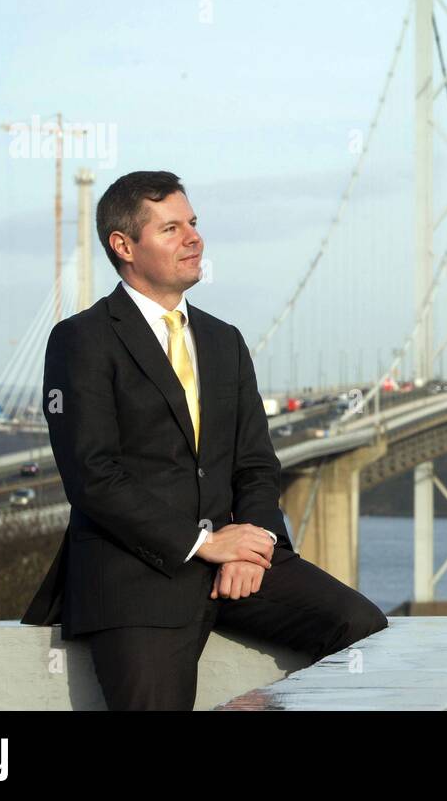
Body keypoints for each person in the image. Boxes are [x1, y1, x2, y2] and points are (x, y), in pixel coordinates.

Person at [21, 170, 388, 709]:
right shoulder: (81, 340)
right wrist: (203, 543)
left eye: (193, 223)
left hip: (235, 565)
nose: (194, 239)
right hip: (136, 577)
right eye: (171, 229)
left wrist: (252, 546)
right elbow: (93, 477)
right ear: (123, 245)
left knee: (362, 629)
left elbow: (257, 464)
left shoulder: (224, 340)